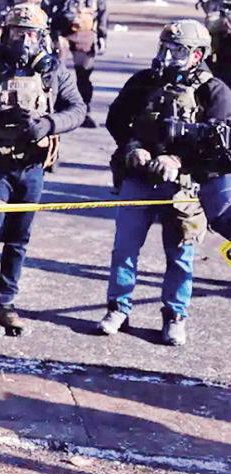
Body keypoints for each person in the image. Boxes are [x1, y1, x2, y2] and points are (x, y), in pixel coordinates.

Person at [0, 3, 85, 338]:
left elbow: (77, 108)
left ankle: (6, 303)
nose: (24, 41)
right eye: (17, 33)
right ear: (6, 33)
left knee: (19, 239)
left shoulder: (53, 70)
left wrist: (49, 124)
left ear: (42, 37)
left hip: (32, 167)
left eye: (31, 34)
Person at [101, 20, 227, 346]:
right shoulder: (144, 82)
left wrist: (178, 160)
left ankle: (175, 315)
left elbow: (219, 146)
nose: (167, 56)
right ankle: (118, 308)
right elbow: (116, 120)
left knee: (180, 255)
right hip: (138, 179)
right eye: (164, 48)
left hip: (184, 188)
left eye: (177, 51)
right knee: (124, 249)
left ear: (197, 55)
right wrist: (133, 148)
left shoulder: (215, 92)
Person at [53, 0, 107, 128]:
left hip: (86, 32)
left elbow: (102, 11)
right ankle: (56, 110)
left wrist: (102, 35)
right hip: (62, 31)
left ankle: (83, 112)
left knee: (84, 74)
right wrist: (52, 32)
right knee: (55, 73)